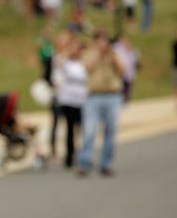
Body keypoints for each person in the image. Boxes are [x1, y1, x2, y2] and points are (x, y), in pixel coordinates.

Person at [77, 31, 126, 177]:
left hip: (113, 95)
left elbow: (122, 70)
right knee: (90, 131)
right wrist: (98, 52)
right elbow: (88, 67)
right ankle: (84, 163)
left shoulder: (114, 54)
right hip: (94, 96)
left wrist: (111, 54)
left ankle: (106, 163)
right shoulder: (90, 53)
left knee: (111, 131)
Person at [52, 38, 87, 169]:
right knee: (70, 128)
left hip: (81, 99)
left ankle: (81, 154)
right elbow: (58, 62)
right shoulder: (64, 62)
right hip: (68, 100)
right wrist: (67, 49)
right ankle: (70, 155)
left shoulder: (83, 63)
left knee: (81, 129)